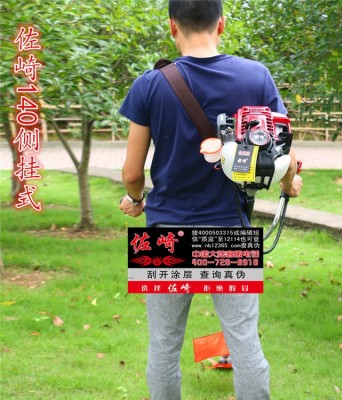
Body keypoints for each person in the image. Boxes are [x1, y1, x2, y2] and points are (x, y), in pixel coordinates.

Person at [119, 1, 302, 399]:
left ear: (172, 26)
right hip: (230, 230)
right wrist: (290, 184)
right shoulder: (256, 76)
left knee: (163, 348)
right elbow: (284, 152)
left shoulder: (149, 84)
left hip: (165, 234)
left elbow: (132, 173)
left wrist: (135, 198)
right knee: (245, 345)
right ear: (221, 24)